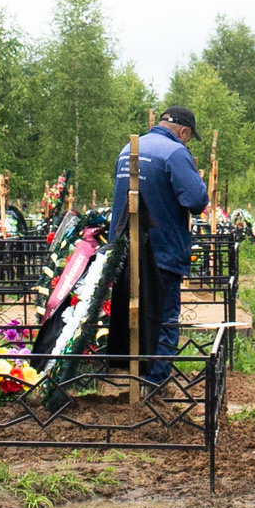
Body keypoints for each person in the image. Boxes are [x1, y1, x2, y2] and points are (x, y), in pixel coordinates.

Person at [107, 106, 208, 380]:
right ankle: (155, 382)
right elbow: (196, 200)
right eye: (189, 137)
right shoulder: (175, 152)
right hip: (161, 253)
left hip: (125, 251)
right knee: (164, 320)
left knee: (131, 315)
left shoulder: (127, 149)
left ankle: (129, 377)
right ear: (183, 131)